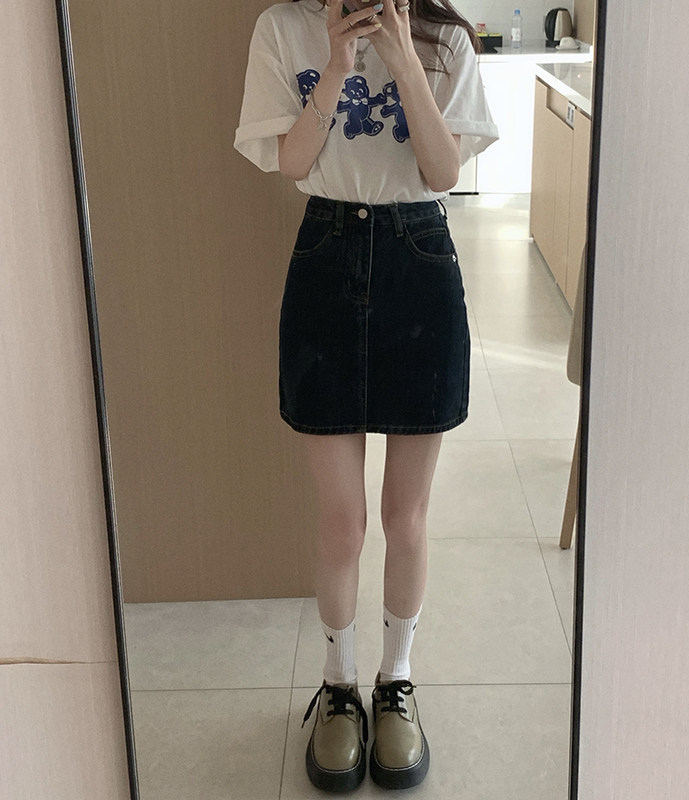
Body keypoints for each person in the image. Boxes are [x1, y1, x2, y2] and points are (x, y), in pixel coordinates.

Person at [234, 0, 497, 791]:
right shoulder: (282, 29)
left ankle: (397, 681)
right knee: (341, 520)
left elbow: (444, 173)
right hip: (325, 254)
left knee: (404, 515)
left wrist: (407, 59)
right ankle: (340, 685)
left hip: (421, 256)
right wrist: (337, 68)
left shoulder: (448, 39)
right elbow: (291, 163)